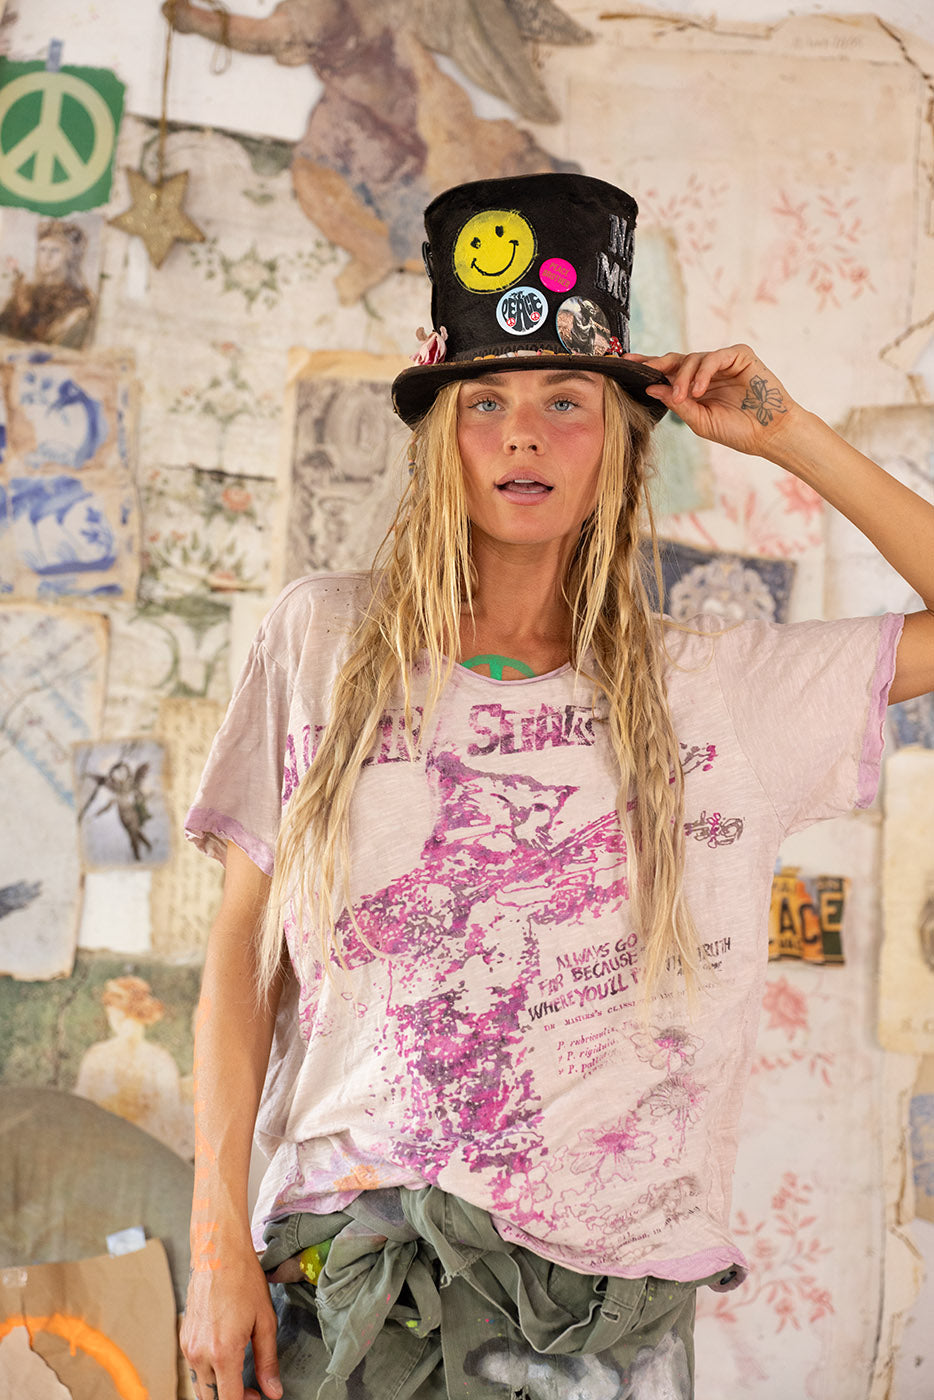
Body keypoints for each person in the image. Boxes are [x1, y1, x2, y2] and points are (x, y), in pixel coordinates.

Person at [180, 174, 934, 1400]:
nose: (522, 434)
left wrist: (787, 432)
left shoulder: (713, 688)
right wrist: (215, 1243)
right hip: (350, 1288)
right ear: (442, 434)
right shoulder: (323, 639)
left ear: (623, 441)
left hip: (600, 1324)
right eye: (486, 400)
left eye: (566, 401)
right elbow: (238, 961)